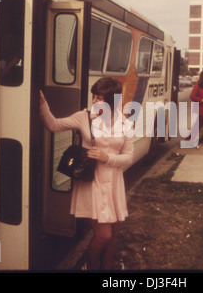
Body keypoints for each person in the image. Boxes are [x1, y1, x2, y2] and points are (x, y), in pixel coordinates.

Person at [39, 77, 134, 270]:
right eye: (94, 97)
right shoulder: (84, 117)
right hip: (92, 183)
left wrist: (108, 158)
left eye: (99, 98)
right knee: (104, 235)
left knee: (113, 235)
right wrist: (41, 103)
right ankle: (90, 267)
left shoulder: (124, 123)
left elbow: (129, 156)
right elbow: (54, 125)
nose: (94, 101)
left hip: (114, 183)